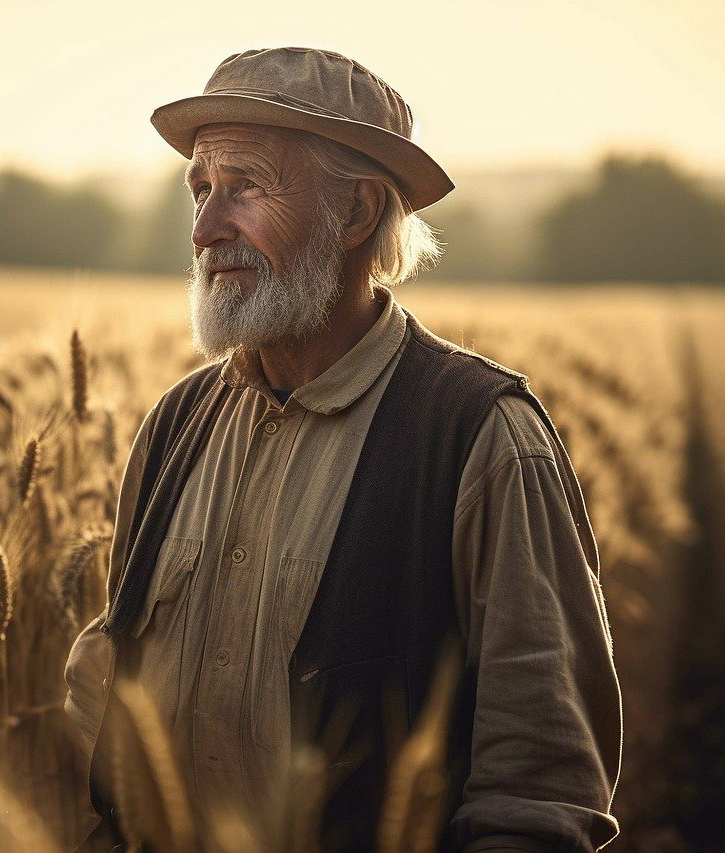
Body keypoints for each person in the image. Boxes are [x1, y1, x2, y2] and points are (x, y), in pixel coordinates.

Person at [64, 47, 622, 851]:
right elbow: (115, 747)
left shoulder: (481, 440)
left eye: (245, 187)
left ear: (357, 212)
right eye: (200, 189)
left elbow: (538, 792)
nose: (205, 228)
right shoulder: (173, 428)